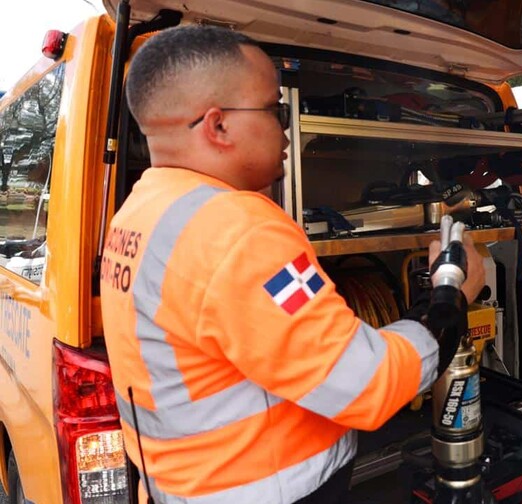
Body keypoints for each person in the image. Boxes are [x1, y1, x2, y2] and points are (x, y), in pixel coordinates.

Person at [99, 26, 484, 503]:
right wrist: (450, 292)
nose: (286, 126)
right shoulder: (236, 229)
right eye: (275, 109)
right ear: (217, 125)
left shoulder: (139, 213)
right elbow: (370, 385)